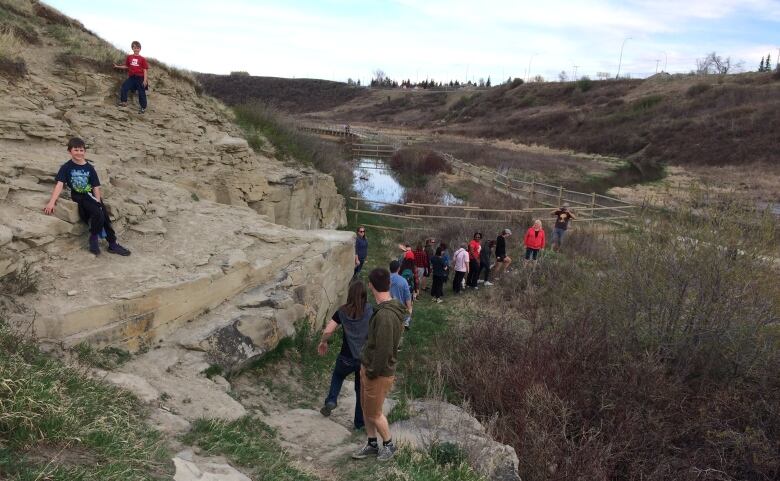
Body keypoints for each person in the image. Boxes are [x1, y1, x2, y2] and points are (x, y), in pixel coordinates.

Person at [352, 268, 405, 462]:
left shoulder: (385, 316)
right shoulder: (387, 310)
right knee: (367, 409)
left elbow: (383, 350)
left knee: (374, 413)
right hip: (369, 368)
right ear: (389, 285)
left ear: (371, 285)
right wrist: (364, 366)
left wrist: (371, 371)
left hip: (378, 373)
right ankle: (372, 444)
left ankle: (389, 445)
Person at [44, 138, 131, 257]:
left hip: (91, 195)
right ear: (70, 151)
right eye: (76, 150)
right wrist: (52, 202)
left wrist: (98, 202)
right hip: (78, 196)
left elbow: (95, 187)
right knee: (98, 213)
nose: (79, 153)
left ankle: (112, 243)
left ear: (84, 151)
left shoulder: (89, 168)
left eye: (81, 150)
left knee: (104, 216)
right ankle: (94, 237)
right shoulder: (66, 167)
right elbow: (59, 184)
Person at [318, 281, 373, 430]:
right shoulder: (370, 310)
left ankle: (331, 400)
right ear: (364, 295)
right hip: (363, 359)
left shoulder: (342, 311)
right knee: (360, 390)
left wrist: (323, 342)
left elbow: (328, 331)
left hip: (346, 357)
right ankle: (359, 423)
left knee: (338, 376)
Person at [113, 40, 149, 114]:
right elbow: (126, 66)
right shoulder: (129, 57)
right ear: (132, 48)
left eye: (138, 48)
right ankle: (124, 102)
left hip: (140, 78)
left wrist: (145, 80)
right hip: (132, 77)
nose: (136, 49)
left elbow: (145, 70)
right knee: (124, 87)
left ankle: (143, 107)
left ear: (140, 49)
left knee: (141, 93)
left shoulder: (142, 59)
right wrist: (117, 66)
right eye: (135, 47)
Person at [388, 260, 413, 329]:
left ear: (389, 268)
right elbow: (407, 297)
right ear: (399, 268)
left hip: (387, 306)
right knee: (410, 306)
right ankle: (406, 322)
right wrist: (410, 308)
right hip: (399, 307)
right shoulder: (403, 281)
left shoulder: (385, 279)